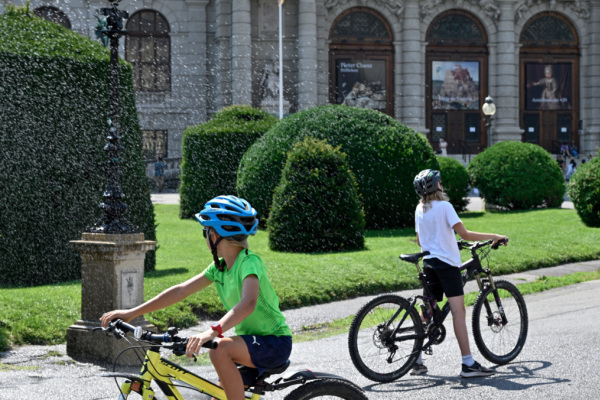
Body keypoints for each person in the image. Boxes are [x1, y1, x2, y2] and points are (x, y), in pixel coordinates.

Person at [100, 195, 293, 400]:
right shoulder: (219, 268)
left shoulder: (249, 262)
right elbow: (180, 291)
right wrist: (132, 313)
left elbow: (248, 303)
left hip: (275, 342)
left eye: (206, 231)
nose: (206, 236)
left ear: (215, 235)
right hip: (250, 343)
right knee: (217, 395)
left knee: (219, 349)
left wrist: (211, 332)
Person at [411, 169, 508, 378]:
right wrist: (494, 236)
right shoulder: (445, 206)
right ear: (437, 185)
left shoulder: (420, 208)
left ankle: (416, 360)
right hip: (446, 265)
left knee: (427, 310)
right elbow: (465, 234)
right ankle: (468, 364)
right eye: (440, 182)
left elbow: (421, 241)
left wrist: (444, 241)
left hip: (429, 263)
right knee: (458, 312)